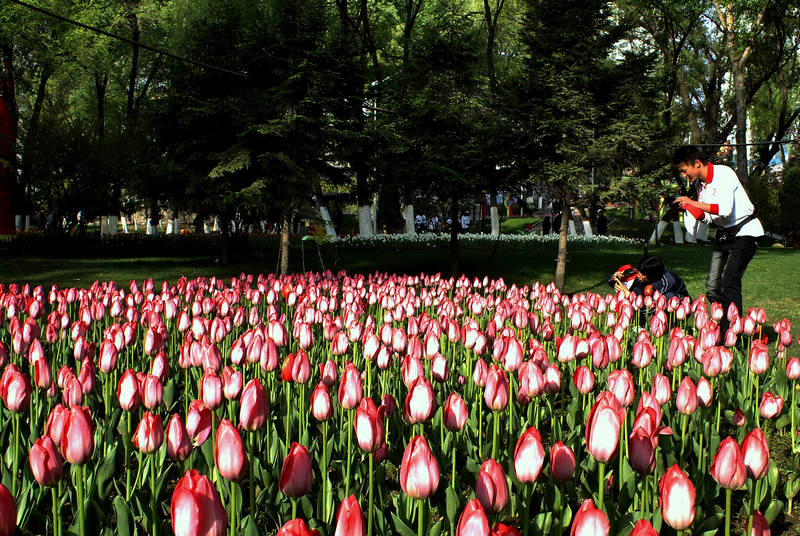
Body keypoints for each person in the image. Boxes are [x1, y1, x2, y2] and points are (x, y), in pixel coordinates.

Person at [671, 145, 763, 330]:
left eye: (684, 170)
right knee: (713, 285)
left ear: (696, 163)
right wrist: (689, 208)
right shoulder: (700, 185)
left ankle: (732, 331)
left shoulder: (723, 174)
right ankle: (720, 325)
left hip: (745, 232)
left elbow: (724, 209)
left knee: (729, 281)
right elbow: (709, 218)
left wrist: (693, 202)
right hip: (725, 235)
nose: (684, 175)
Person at [609, 255, 690, 301]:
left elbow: (653, 305)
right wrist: (614, 280)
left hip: (679, 301)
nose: (638, 275)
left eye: (641, 274)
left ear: (651, 274)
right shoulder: (641, 272)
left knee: (668, 296)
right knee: (636, 289)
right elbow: (625, 282)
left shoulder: (666, 281)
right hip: (652, 297)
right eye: (638, 272)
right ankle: (640, 324)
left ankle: (676, 325)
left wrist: (630, 296)